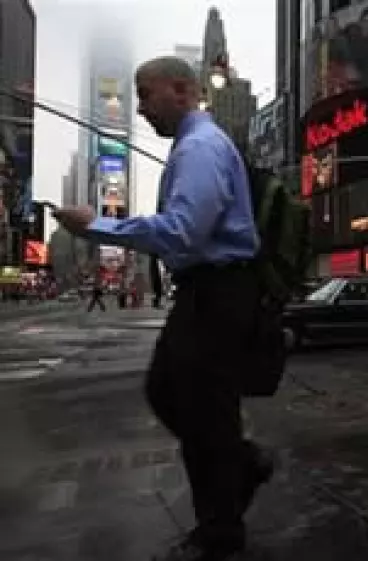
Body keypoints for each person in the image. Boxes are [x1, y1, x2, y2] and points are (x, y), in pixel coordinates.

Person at [53, 56, 273, 561]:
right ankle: (239, 468)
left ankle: (219, 532)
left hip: (218, 293)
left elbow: (182, 232)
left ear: (180, 90)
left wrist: (96, 226)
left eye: (145, 94)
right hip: (208, 293)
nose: (141, 108)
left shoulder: (199, 147)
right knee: (175, 395)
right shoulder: (195, 146)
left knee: (203, 410)